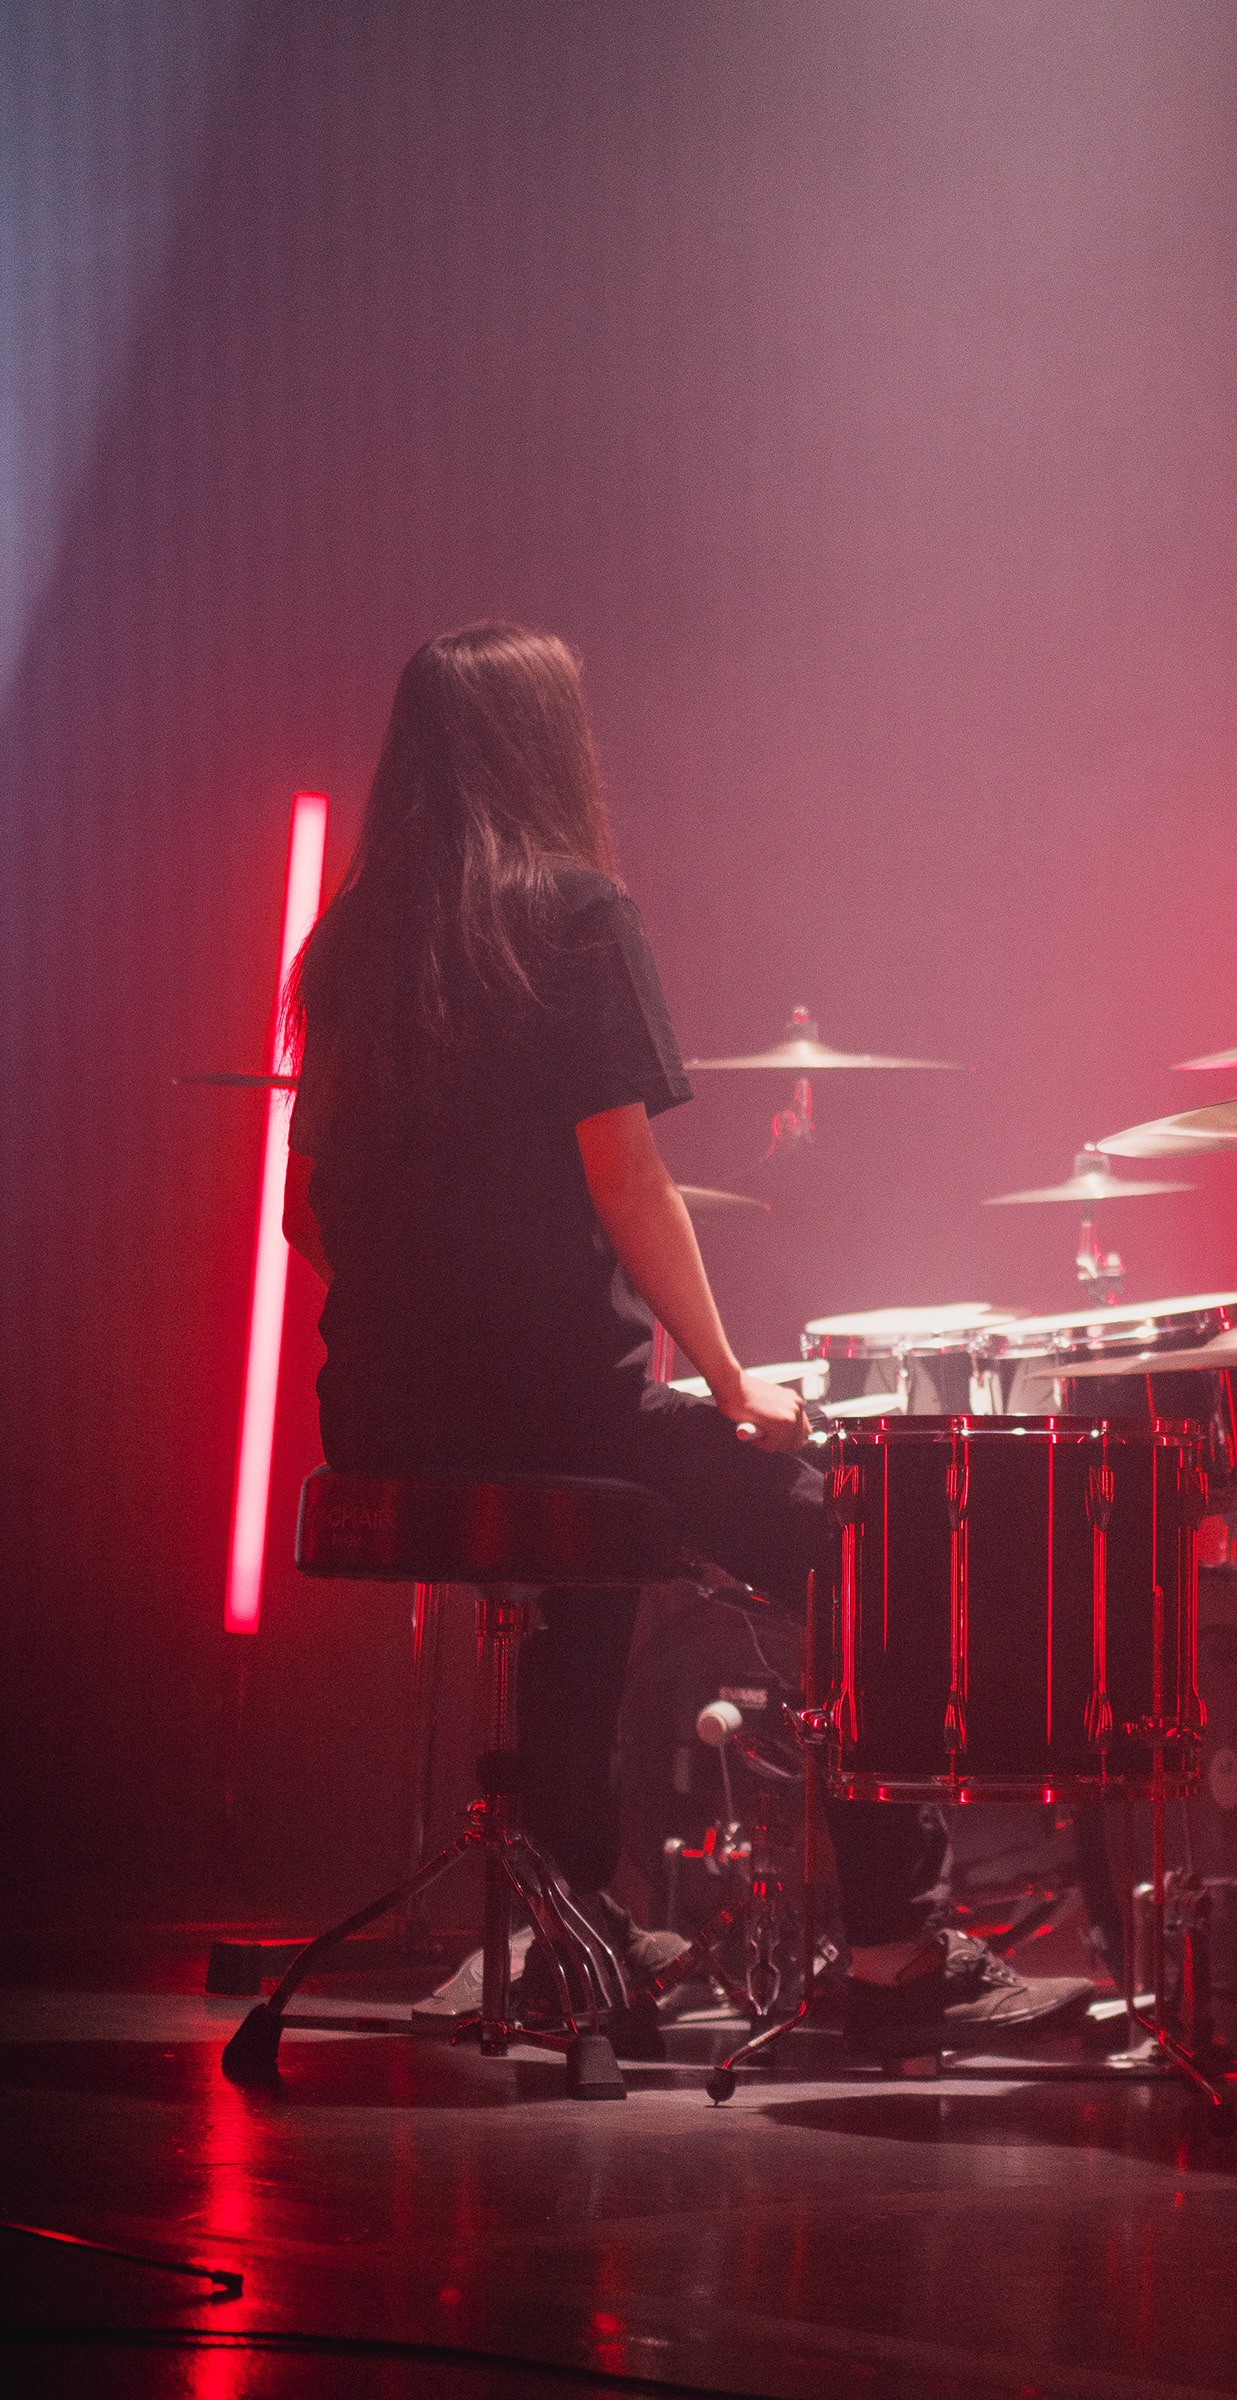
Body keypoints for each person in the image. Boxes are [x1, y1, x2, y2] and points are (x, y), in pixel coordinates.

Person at [282, 622, 1092, 2057]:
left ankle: (569, 1918)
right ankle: (898, 1952)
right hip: (555, 1411)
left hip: (378, 1425)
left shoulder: (344, 948)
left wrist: (427, 1317)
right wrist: (731, 1382)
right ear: (548, 747)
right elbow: (629, 1180)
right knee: (850, 1540)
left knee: (596, 1538)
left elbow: (305, 1217)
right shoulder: (575, 914)